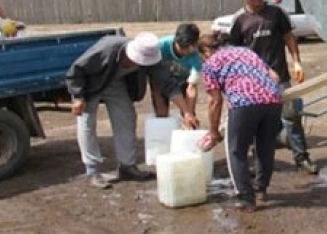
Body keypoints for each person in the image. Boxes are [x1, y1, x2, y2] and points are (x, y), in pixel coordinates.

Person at [65, 32, 200, 189]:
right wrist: (78, 97)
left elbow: (167, 84)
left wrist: (187, 112)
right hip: (91, 82)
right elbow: (76, 70)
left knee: (127, 117)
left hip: (115, 82)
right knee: (86, 121)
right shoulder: (107, 49)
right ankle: (92, 170)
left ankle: (127, 166)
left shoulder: (152, 57)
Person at [227, 0, 319, 175]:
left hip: (280, 77)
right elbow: (234, 54)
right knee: (254, 122)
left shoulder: (277, 14)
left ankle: (301, 157)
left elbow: (289, 38)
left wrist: (297, 63)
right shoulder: (239, 20)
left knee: (291, 116)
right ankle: (257, 163)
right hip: (252, 83)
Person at [197, 32, 283, 211]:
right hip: (273, 101)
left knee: (236, 151)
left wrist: (214, 131)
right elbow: (275, 77)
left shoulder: (210, 64)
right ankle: (261, 188)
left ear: (206, 52)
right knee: (265, 148)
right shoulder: (247, 52)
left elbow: (215, 101)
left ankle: (245, 197)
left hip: (243, 104)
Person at [151, 22, 204, 118]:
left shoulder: (196, 56)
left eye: (191, 48)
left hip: (184, 81)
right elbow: (155, 81)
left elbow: (191, 87)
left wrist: (189, 113)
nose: (187, 51)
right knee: (161, 113)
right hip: (163, 80)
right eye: (183, 48)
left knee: (188, 114)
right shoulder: (161, 47)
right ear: (176, 41)